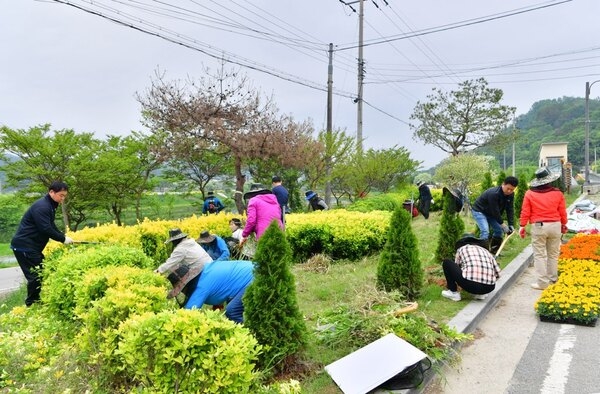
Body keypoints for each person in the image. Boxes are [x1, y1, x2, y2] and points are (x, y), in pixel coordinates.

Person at [10, 181, 74, 306]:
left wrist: (63, 236)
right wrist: (62, 239)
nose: (63, 198)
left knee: (40, 272)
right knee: (35, 276)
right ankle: (31, 304)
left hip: (31, 247)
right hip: (25, 246)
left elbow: (51, 225)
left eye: (64, 196)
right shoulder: (43, 206)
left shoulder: (50, 205)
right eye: (61, 195)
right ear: (51, 192)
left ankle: (36, 301)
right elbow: (45, 229)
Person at [519, 167, 567, 290]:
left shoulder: (529, 194)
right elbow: (562, 211)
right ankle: (552, 279)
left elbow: (525, 211)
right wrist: (564, 224)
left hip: (539, 226)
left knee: (539, 255)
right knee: (553, 254)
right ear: (550, 181)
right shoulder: (558, 193)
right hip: (555, 225)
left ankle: (542, 283)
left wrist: (522, 226)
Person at [184, 259, 255, 323]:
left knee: (232, 311)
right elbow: (219, 284)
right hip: (249, 271)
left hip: (253, 277)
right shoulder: (206, 270)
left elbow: (189, 314)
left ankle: (249, 334)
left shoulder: (201, 287)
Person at [155, 228, 213, 303]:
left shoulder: (180, 249)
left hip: (201, 269)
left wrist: (158, 271)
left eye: (173, 241)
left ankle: (192, 301)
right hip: (210, 263)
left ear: (176, 240)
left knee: (189, 285)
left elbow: (169, 263)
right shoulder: (191, 242)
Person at [441, 234, 501, 302]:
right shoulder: (486, 251)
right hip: (490, 287)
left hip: (471, 286)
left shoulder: (462, 249)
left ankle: (453, 293)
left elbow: (457, 267)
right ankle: (481, 294)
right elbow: (498, 274)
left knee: (447, 262)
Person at [471, 176, 519, 253]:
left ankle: (494, 252)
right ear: (503, 184)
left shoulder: (511, 194)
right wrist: (503, 225)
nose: (509, 191)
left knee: (499, 231)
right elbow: (495, 211)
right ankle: (483, 254)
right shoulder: (493, 194)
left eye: (512, 189)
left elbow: (510, 209)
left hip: (490, 213)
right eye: (508, 188)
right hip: (480, 211)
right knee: (485, 231)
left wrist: (511, 224)